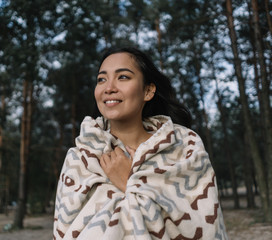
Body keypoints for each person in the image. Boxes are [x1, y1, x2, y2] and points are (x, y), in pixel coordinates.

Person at [53, 47, 228, 239]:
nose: (108, 87)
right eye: (101, 79)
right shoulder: (80, 157)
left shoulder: (185, 147)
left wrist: (129, 182)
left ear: (148, 90)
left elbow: (204, 228)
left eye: (123, 77)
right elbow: (65, 232)